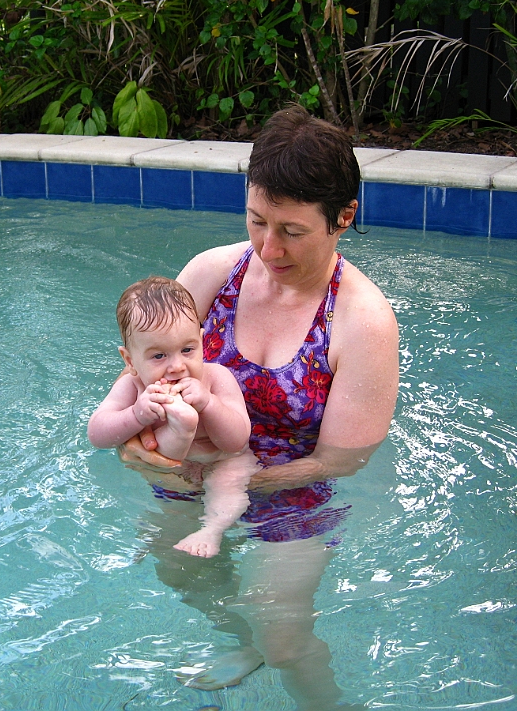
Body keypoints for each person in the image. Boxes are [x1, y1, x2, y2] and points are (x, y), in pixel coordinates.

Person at [119, 105, 400, 710]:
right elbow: (137, 375)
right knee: (176, 569)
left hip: (293, 487)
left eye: (292, 231)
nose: (269, 248)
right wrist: (138, 449)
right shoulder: (211, 275)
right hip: (190, 464)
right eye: (256, 221)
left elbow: (340, 461)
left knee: (284, 635)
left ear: (344, 217)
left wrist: (239, 484)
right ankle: (240, 639)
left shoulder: (362, 322)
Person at [89, 276, 259, 558]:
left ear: (202, 343)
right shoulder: (133, 387)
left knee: (229, 483)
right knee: (157, 504)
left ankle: (212, 530)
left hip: (221, 461)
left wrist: (209, 404)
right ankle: (161, 526)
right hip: (168, 471)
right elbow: (97, 434)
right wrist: (136, 414)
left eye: (187, 350)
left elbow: (237, 441)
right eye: (159, 356)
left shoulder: (216, 378)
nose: (177, 366)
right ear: (130, 361)